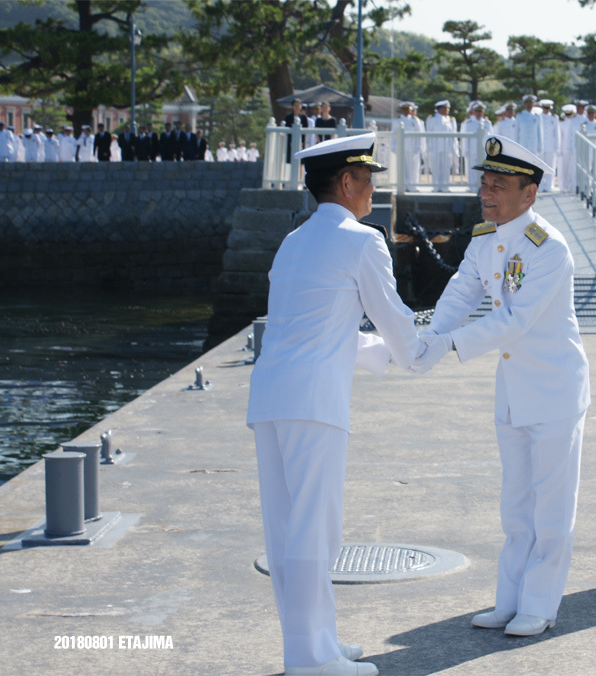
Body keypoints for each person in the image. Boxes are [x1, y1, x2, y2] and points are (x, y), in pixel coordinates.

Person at [247, 132, 424, 676]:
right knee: (314, 531)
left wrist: (380, 356)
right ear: (345, 182)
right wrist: (423, 349)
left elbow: (312, 331)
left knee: (287, 532)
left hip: (272, 396)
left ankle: (315, 642)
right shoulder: (362, 240)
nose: (373, 191)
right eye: (368, 180)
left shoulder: (293, 242)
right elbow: (394, 321)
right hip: (314, 404)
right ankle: (312, 659)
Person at [412, 135, 591, 638]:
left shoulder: (548, 248)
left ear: (529, 193)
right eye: (485, 183)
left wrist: (447, 348)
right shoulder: (485, 238)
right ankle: (508, 600)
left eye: (499, 185)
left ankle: (540, 603)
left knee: (552, 510)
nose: (487, 193)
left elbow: (514, 321)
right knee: (515, 505)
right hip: (514, 392)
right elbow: (459, 293)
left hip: (555, 390)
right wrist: (427, 339)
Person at [460, 101, 492, 191]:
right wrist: (465, 150)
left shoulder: (487, 123)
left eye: (481, 111)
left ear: (483, 112)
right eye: (477, 111)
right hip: (471, 149)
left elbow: (491, 138)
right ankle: (471, 186)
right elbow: (464, 138)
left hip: (484, 150)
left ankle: (482, 186)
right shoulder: (468, 122)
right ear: (473, 112)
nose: (479, 113)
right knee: (471, 169)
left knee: (483, 169)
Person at [538, 99, 560, 192]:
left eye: (548, 108)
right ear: (542, 108)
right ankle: (541, 185)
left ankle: (549, 185)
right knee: (540, 166)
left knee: (551, 165)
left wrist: (557, 146)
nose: (546, 110)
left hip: (551, 145)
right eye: (545, 108)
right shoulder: (538, 117)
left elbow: (557, 133)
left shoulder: (554, 118)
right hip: (541, 146)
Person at [283, 98, 309, 165]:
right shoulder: (288, 117)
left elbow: (305, 130)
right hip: (290, 141)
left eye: (298, 105)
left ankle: (300, 175)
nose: (297, 107)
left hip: (301, 141)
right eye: (295, 105)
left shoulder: (304, 117)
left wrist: (302, 141)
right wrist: (290, 141)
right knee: (290, 159)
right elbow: (287, 130)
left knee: (301, 161)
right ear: (292, 106)